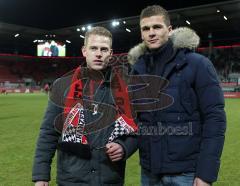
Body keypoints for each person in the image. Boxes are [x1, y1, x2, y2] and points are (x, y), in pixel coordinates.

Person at [128, 5, 226, 186]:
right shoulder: (137, 70)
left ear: (169, 30)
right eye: (146, 29)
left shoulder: (197, 64)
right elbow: (136, 122)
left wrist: (206, 173)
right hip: (150, 173)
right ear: (141, 34)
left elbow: (215, 119)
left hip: (186, 173)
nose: (151, 33)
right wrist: (122, 146)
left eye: (157, 27)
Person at [32, 26, 138, 186]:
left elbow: (137, 129)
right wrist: (41, 176)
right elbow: (48, 132)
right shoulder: (63, 85)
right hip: (72, 179)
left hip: (109, 178)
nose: (98, 53)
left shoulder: (125, 87)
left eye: (103, 49)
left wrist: (124, 147)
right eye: (93, 48)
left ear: (110, 53)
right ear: (84, 51)